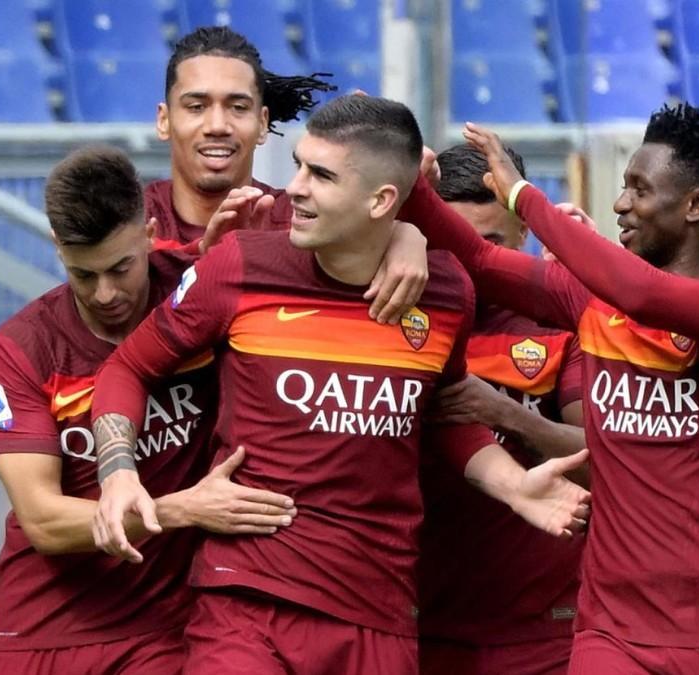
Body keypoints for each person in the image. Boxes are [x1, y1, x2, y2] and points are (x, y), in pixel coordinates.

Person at [88, 96, 591, 675]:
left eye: (320, 175)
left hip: (377, 613)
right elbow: (127, 367)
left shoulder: (447, 293)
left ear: (381, 201)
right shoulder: (237, 267)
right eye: (299, 164)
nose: (294, 187)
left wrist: (513, 485)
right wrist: (118, 472)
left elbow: (446, 415)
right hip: (249, 600)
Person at [400, 104, 699, 673]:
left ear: (697, 205)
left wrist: (525, 201)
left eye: (639, 190)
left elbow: (644, 295)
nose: (619, 205)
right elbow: (482, 260)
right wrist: (409, 191)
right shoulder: (592, 303)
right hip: (612, 630)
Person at [0, 146, 297, 674]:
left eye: (121, 267)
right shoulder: (22, 348)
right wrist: (184, 509)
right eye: (84, 275)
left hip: (164, 634)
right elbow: (43, 520)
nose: (105, 294)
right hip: (43, 627)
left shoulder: (197, 293)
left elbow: (337, 238)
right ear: (57, 248)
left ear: (150, 233)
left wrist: (409, 235)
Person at [417, 144, 587, 675]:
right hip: (420, 622)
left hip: (543, 632)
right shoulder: (395, 318)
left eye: (485, 245)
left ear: (523, 236)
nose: (467, 265)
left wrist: (509, 414)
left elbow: (601, 460)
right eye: (448, 245)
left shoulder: (563, 323)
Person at [146, 26, 331, 249]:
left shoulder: (301, 225)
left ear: (262, 124)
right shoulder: (127, 222)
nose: (217, 126)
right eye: (196, 107)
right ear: (164, 120)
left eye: (238, 107)